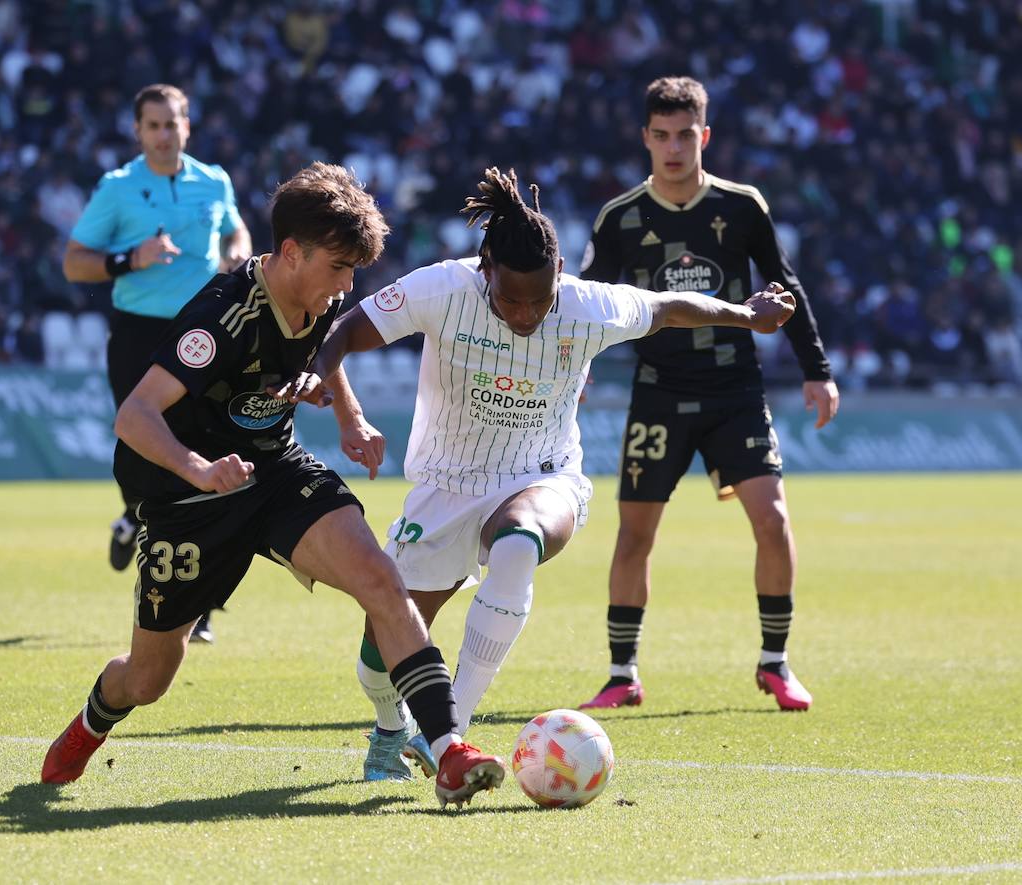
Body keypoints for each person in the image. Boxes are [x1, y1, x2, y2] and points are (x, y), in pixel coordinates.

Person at [276, 168, 797, 781]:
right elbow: (348, 327)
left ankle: (449, 737)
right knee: (378, 654)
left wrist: (745, 313)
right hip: (446, 485)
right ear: (486, 268)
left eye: (540, 298)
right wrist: (335, 394)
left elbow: (669, 307)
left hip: (542, 476)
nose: (526, 313)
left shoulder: (586, 306)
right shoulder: (443, 288)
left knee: (519, 544)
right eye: (511, 298)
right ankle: (391, 727)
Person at [41, 163, 505, 809]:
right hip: (187, 501)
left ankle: (449, 747)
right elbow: (134, 415)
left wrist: (349, 415)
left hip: (274, 471)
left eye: (353, 271)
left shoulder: (323, 296)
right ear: (291, 252)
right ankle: (92, 723)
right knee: (148, 678)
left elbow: (322, 352)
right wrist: (200, 470)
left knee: (380, 579)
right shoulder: (222, 315)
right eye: (339, 268)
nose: (347, 286)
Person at [576, 76, 839, 713]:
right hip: (659, 393)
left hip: (735, 391)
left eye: (685, 135)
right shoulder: (621, 218)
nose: (673, 148)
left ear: (705, 136)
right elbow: (584, 304)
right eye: (661, 136)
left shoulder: (742, 206)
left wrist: (816, 368)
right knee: (634, 536)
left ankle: (775, 663)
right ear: (645, 138)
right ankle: (621, 673)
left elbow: (785, 285)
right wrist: (573, 369)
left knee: (773, 522)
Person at [63, 83, 252, 645]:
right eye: (153, 126)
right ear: (138, 131)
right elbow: (75, 264)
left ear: (187, 125)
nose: (164, 135)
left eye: (172, 124)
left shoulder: (213, 180)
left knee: (213, 452)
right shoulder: (118, 189)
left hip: (204, 331)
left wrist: (237, 247)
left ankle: (204, 605)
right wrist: (129, 258)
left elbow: (234, 227)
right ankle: (132, 517)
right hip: (140, 336)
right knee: (148, 450)